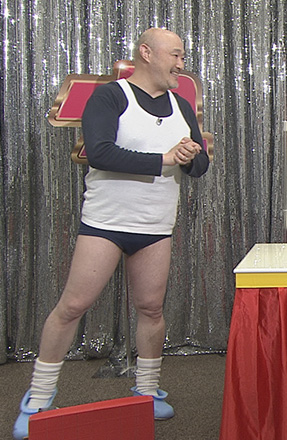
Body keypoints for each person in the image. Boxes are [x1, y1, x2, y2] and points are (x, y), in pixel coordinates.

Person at [14, 28, 209, 439]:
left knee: (151, 309)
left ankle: (147, 389)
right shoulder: (109, 97)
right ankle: (38, 398)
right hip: (106, 224)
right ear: (146, 53)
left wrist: (191, 156)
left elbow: (199, 166)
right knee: (72, 306)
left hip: (155, 226)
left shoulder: (180, 104)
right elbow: (100, 153)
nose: (181, 64)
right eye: (175, 55)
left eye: (182, 57)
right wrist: (165, 158)